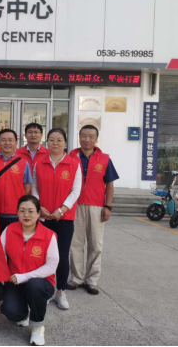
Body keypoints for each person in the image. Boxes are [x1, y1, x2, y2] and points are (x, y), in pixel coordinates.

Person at [0, 129, 33, 304]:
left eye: (11, 140)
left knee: (13, 253)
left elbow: (27, 188)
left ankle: (11, 286)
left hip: (14, 215)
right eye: (4, 140)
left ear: (16, 143)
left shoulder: (23, 163)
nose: (7, 143)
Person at [32, 129, 82, 311]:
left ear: (65, 143)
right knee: (42, 255)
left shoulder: (74, 164)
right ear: (47, 142)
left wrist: (62, 210)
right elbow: (34, 187)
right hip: (43, 217)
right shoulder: (39, 162)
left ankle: (61, 290)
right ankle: (46, 290)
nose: (55, 143)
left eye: (59, 140)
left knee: (61, 254)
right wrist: (39, 207)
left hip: (64, 218)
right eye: (51, 140)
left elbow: (76, 190)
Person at [0, 196, 59, 347]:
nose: (26, 215)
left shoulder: (49, 235)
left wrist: (24, 276)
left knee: (34, 285)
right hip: (16, 281)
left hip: (41, 283)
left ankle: (37, 326)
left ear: (38, 213)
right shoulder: (9, 230)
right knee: (11, 312)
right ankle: (23, 311)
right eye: (22, 211)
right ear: (17, 213)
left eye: (31, 211)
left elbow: (52, 266)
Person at [68, 125, 119, 295]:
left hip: (96, 206)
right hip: (74, 205)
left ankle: (92, 280)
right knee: (75, 243)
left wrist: (107, 206)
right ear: (79, 137)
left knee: (95, 244)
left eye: (91, 136)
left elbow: (109, 184)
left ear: (96, 139)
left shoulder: (104, 159)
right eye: (83, 135)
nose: (87, 139)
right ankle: (76, 278)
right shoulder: (71, 156)